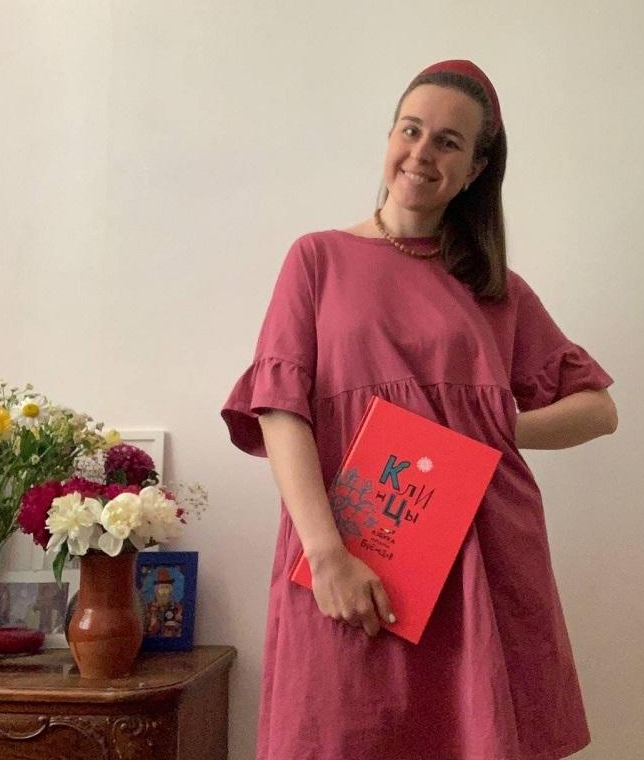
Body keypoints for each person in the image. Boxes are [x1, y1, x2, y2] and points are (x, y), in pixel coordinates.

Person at [221, 59, 617, 760]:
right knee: (340, 733)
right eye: (411, 130)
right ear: (389, 137)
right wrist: (326, 554)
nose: (422, 153)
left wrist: (497, 427)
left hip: (479, 563)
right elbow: (280, 410)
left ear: (475, 169)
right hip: (349, 550)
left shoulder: (496, 290)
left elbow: (598, 410)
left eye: (448, 142)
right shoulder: (317, 260)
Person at [144, 566, 184, 638]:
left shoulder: (178, 608)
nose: (164, 592)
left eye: (166, 588)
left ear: (171, 590)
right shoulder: (148, 608)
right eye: (161, 588)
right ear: (155, 591)